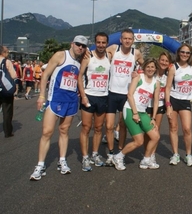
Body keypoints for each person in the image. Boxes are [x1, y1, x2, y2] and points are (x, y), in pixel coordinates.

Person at [29, 35, 88, 181]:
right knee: (47, 132)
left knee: (64, 130)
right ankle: (40, 165)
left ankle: (62, 161)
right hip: (55, 100)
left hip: (71, 101)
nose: (80, 47)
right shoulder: (61, 55)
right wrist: (42, 96)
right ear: (72, 44)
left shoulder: (81, 61)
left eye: (83, 46)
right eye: (78, 44)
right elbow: (45, 75)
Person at [112, 58, 160, 170]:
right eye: (148, 66)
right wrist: (134, 113)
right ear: (144, 68)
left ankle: (146, 160)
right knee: (139, 141)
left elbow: (156, 101)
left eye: (152, 67)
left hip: (143, 112)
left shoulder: (156, 83)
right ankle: (118, 157)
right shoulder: (138, 77)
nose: (150, 69)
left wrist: (153, 118)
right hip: (130, 109)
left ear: (155, 68)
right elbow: (129, 95)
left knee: (155, 136)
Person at [104, 29, 143, 166]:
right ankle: (110, 153)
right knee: (109, 126)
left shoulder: (136, 53)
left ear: (133, 40)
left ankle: (120, 152)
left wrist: (137, 74)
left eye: (130, 39)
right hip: (112, 92)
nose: (127, 41)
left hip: (126, 94)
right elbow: (99, 53)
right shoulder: (114, 49)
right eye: (125, 38)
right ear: (120, 39)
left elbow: (145, 67)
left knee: (122, 125)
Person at [77, 32, 110, 171]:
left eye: (103, 42)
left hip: (103, 96)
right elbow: (79, 77)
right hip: (89, 95)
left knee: (98, 128)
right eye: (98, 42)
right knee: (86, 127)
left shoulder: (110, 55)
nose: (101, 45)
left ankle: (95, 154)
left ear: (107, 43)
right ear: (95, 43)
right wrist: (83, 96)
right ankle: (85, 157)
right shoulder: (88, 56)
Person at [165, 43, 192, 166]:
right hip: (173, 99)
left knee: (187, 129)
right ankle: (175, 154)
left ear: (190, 55)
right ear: (178, 53)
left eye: (187, 53)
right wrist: (168, 105)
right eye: (182, 52)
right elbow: (167, 87)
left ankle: (188, 155)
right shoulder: (173, 67)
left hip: (185, 101)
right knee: (173, 128)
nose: (184, 54)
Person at [143, 51, 172, 166]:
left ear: (169, 63)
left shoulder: (168, 75)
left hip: (159, 105)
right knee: (147, 132)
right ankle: (147, 153)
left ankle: (152, 155)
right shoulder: (152, 71)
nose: (163, 62)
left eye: (166, 61)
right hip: (146, 105)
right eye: (162, 60)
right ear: (158, 60)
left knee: (155, 131)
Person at [0, 46, 17, 138]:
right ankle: (8, 132)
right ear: (3, 53)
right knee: (7, 111)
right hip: (5, 89)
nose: (8, 53)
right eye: (7, 52)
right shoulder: (7, 62)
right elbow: (14, 75)